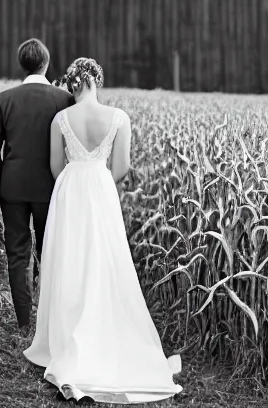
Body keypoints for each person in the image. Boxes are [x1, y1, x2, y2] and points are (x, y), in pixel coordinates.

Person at [23, 58, 182, 403]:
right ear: (96, 80)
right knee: (104, 259)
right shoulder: (119, 118)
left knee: (70, 260)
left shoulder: (60, 119)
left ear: (74, 84)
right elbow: (120, 168)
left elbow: (55, 167)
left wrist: (76, 174)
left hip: (70, 189)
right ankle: (104, 333)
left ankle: (69, 339)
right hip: (101, 188)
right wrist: (98, 175)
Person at [0, 38, 75, 330]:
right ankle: (48, 322)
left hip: (14, 188)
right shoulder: (63, 99)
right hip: (52, 187)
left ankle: (23, 323)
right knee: (49, 252)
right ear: (46, 64)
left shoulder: (4, 98)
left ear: (22, 65)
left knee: (17, 254)